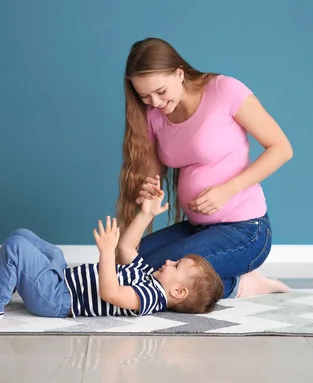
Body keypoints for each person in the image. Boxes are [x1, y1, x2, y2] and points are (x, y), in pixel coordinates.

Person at [117, 37, 293, 300]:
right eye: (145, 96)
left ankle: (242, 286)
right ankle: (234, 280)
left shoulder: (224, 91)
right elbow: (153, 176)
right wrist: (149, 190)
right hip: (197, 228)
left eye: (161, 91)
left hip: (245, 230)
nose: (155, 102)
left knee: (146, 277)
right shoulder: (154, 115)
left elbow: (281, 148)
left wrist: (228, 190)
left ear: (179, 73)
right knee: (120, 265)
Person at [0, 188, 223, 323]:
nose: (168, 261)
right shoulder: (148, 276)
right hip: (62, 279)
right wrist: (146, 214)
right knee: (23, 236)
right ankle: (0, 287)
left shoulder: (150, 298)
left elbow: (111, 293)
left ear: (178, 292)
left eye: (175, 265)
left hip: (57, 300)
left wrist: (106, 253)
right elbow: (128, 249)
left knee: (15, 248)